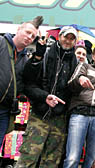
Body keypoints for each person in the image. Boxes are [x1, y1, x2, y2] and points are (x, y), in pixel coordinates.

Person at [15, 26, 78, 167]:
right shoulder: (45, 54)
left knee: (51, 161)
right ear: (59, 37)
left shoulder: (76, 62)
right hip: (40, 114)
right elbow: (28, 84)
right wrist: (45, 97)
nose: (67, 41)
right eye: (65, 37)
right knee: (28, 158)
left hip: (59, 119)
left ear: (74, 42)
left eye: (71, 39)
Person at [63, 43, 95, 168]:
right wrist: (80, 79)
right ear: (93, 56)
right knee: (72, 157)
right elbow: (70, 84)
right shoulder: (84, 66)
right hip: (79, 114)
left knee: (93, 159)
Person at [0, 16, 43, 148]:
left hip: (5, 111)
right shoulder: (1, 43)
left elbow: (28, 84)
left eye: (33, 36)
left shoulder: (26, 60)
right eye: (27, 32)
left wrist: (37, 58)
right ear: (19, 29)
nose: (29, 37)